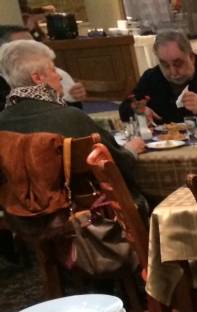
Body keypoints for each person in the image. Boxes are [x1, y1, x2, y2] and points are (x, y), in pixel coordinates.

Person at [0, 39, 144, 200]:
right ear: (38, 78)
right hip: (84, 210)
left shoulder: (2, 123)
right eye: (53, 70)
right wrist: (131, 150)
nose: (59, 77)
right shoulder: (71, 118)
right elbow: (117, 164)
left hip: (18, 212)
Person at [119, 29, 197, 127]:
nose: (173, 72)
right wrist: (138, 111)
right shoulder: (151, 77)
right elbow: (125, 108)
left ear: (191, 56)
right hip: (163, 144)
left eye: (178, 64)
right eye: (165, 65)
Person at [0, 25, 86, 110]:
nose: (34, 49)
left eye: (33, 43)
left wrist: (74, 97)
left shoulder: (50, 72)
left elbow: (70, 111)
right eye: (24, 46)